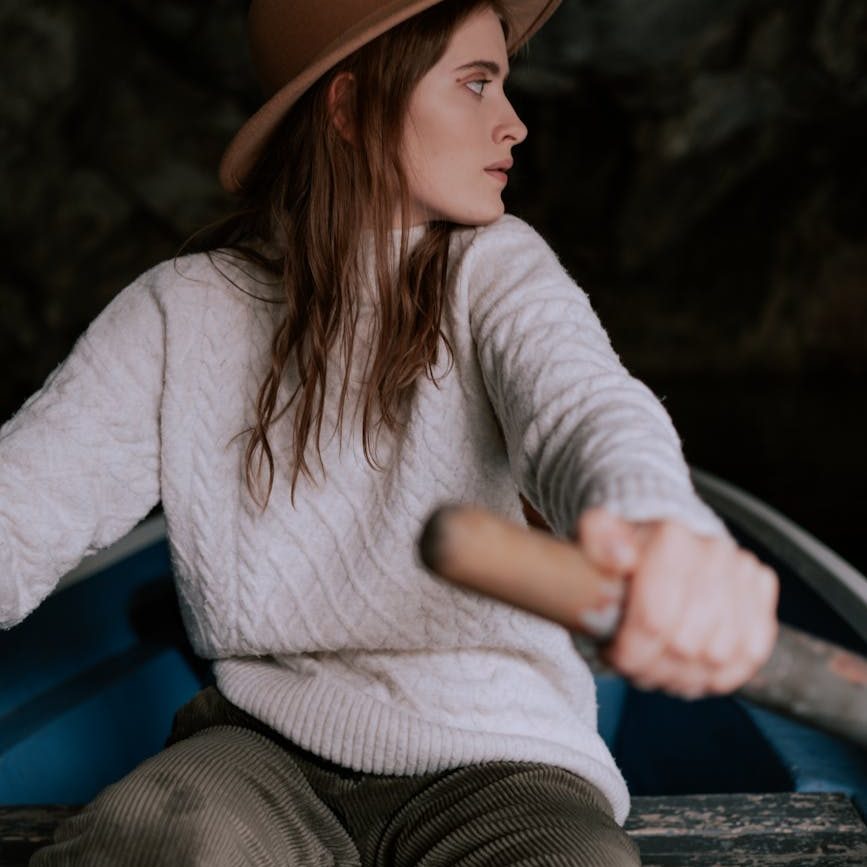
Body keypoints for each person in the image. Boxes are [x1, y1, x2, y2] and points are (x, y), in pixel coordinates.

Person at [0, 1, 779, 864]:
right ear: (347, 108)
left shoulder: (498, 267)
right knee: (156, 839)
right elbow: (20, 509)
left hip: (499, 763)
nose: (513, 125)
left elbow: (585, 412)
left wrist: (657, 531)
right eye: (475, 83)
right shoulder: (180, 310)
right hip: (260, 746)